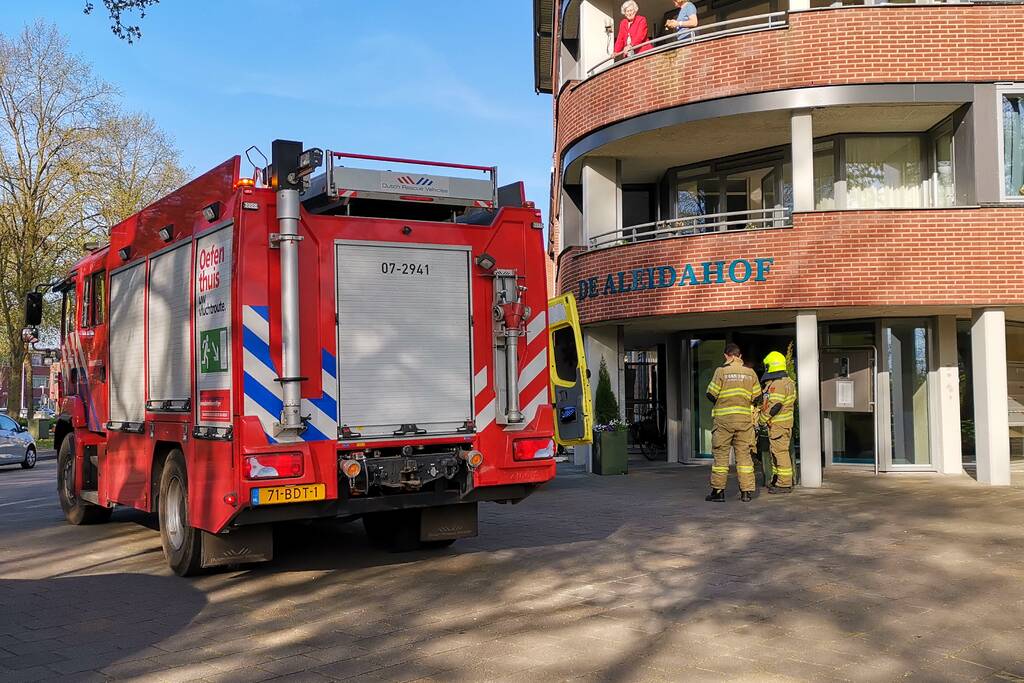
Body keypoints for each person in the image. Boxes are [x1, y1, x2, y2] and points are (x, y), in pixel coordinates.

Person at [705, 343, 762, 502]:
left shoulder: (721, 371)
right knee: (744, 457)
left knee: (721, 457)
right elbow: (757, 397)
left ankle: (718, 492)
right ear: (740, 356)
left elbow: (710, 394)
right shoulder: (750, 373)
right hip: (744, 422)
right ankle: (746, 493)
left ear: (726, 355)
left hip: (724, 421)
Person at [759, 351, 797, 494]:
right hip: (782, 424)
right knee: (776, 452)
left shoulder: (779, 384)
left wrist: (762, 419)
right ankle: (778, 479)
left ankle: (784, 484)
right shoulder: (787, 382)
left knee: (780, 453)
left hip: (778, 425)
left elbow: (775, 406)